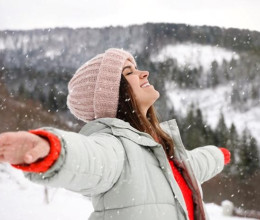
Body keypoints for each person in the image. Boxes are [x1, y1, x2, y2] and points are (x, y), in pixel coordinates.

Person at [0, 48, 230, 220]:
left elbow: (188, 167)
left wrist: (218, 155)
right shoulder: (115, 146)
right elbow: (90, 159)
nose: (144, 73)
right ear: (114, 95)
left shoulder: (158, 143)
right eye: (130, 72)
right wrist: (51, 150)